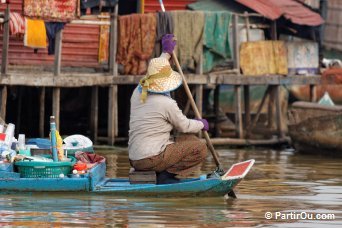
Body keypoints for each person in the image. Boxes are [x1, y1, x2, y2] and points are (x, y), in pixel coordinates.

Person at [128, 34, 209, 184]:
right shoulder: (166, 103)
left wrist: (166, 52)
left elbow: (156, 69)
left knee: (189, 139)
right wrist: (201, 124)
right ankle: (166, 176)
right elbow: (184, 126)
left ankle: (163, 173)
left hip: (135, 157)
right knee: (200, 147)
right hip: (150, 158)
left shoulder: (138, 92)